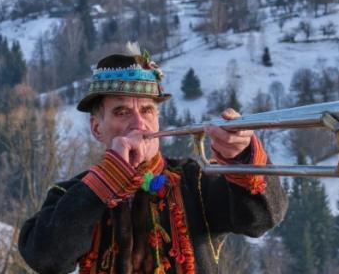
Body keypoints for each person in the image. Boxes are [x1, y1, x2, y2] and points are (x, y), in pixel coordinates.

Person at [18, 47, 288, 274]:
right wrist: (106, 180)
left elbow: (261, 219)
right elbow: (44, 258)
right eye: (122, 112)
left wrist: (241, 155)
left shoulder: (196, 181)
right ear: (97, 128)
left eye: (147, 110)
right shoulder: (72, 193)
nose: (139, 124)